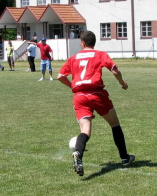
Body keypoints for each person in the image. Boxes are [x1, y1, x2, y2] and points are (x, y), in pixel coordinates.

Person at [57, 30, 134, 176]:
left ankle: (78, 153)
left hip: (79, 96)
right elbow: (115, 69)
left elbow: (60, 76)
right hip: (96, 94)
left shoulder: (74, 58)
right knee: (114, 124)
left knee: (85, 130)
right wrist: (122, 83)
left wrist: (73, 85)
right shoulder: (100, 54)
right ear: (94, 42)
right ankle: (124, 158)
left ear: (82, 43)